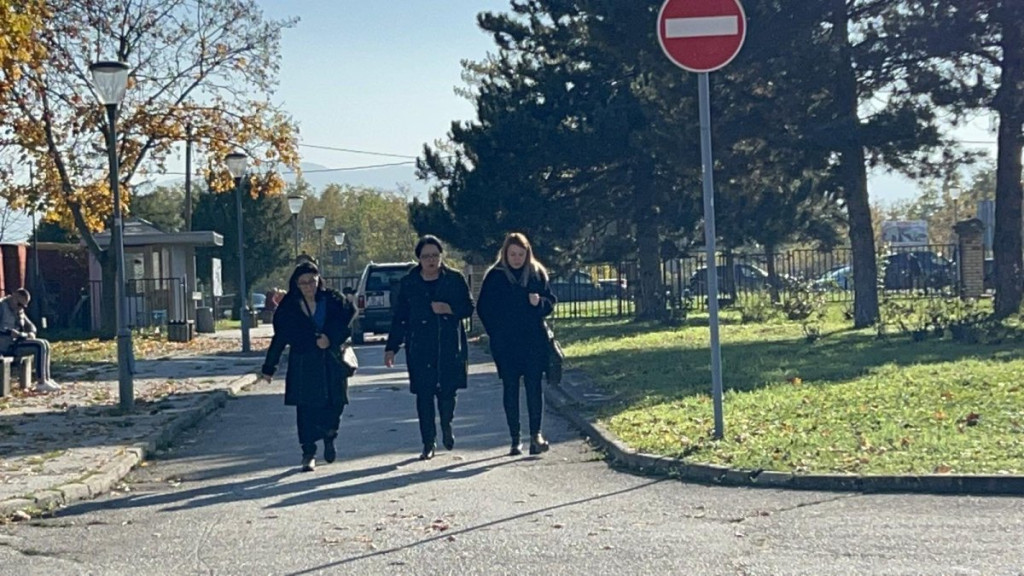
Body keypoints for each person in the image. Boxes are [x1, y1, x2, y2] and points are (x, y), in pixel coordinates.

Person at [384, 235, 474, 461]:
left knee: (447, 393)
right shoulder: (409, 283)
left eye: (435, 255)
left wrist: (449, 309)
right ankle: (428, 442)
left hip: (448, 345)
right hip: (420, 346)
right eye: (426, 257)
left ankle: (446, 424)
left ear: (441, 256)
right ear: (419, 259)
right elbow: (400, 317)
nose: (431, 260)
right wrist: (391, 347)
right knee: (424, 395)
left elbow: (468, 307)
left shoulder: (454, 279)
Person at [260, 262, 356, 472]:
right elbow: (280, 337)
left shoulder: (333, 299)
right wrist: (269, 366)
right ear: (296, 284)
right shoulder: (289, 307)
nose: (308, 286)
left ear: (318, 280)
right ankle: (308, 452)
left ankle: (330, 435)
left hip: (331, 361)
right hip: (304, 362)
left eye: (312, 281)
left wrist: (330, 338)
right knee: (306, 409)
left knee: (335, 403)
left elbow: (347, 322)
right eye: (303, 283)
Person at [476, 233, 557, 456]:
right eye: (512, 254)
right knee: (510, 387)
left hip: (533, 340)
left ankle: (536, 435)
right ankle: (515, 438)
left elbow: (551, 301)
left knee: (534, 386)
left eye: (521, 254)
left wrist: (539, 303)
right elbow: (483, 308)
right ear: (505, 254)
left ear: (527, 253)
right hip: (506, 344)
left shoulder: (536, 272)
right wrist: (495, 333)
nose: (517, 259)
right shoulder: (495, 276)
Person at [0, 288, 60, 393]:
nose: (21, 308)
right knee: (39, 345)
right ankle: (41, 382)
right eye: (19, 304)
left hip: (16, 342)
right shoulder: (2, 307)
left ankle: (46, 378)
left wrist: (31, 332)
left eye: (24, 306)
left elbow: (31, 326)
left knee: (45, 343)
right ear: (14, 296)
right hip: (5, 346)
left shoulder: (19, 310)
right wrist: (8, 332)